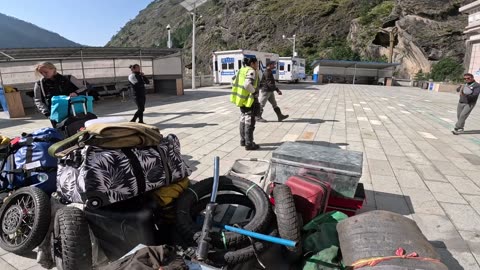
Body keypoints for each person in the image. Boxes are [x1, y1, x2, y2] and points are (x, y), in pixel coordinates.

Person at [33, 62, 87, 127]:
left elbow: (83, 88)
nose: (44, 74)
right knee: (60, 132)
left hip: (73, 110)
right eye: (41, 73)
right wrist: (47, 113)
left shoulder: (69, 78)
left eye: (45, 72)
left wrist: (76, 93)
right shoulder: (39, 84)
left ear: (53, 69)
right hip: (55, 113)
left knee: (78, 128)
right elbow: (38, 100)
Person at [231, 57, 261, 150]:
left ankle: (243, 140)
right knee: (249, 121)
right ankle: (249, 143)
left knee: (243, 118)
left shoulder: (241, 70)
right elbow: (247, 84)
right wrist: (254, 92)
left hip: (241, 99)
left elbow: (233, 81)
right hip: (249, 100)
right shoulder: (251, 71)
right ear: (252, 63)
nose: (257, 65)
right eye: (256, 63)